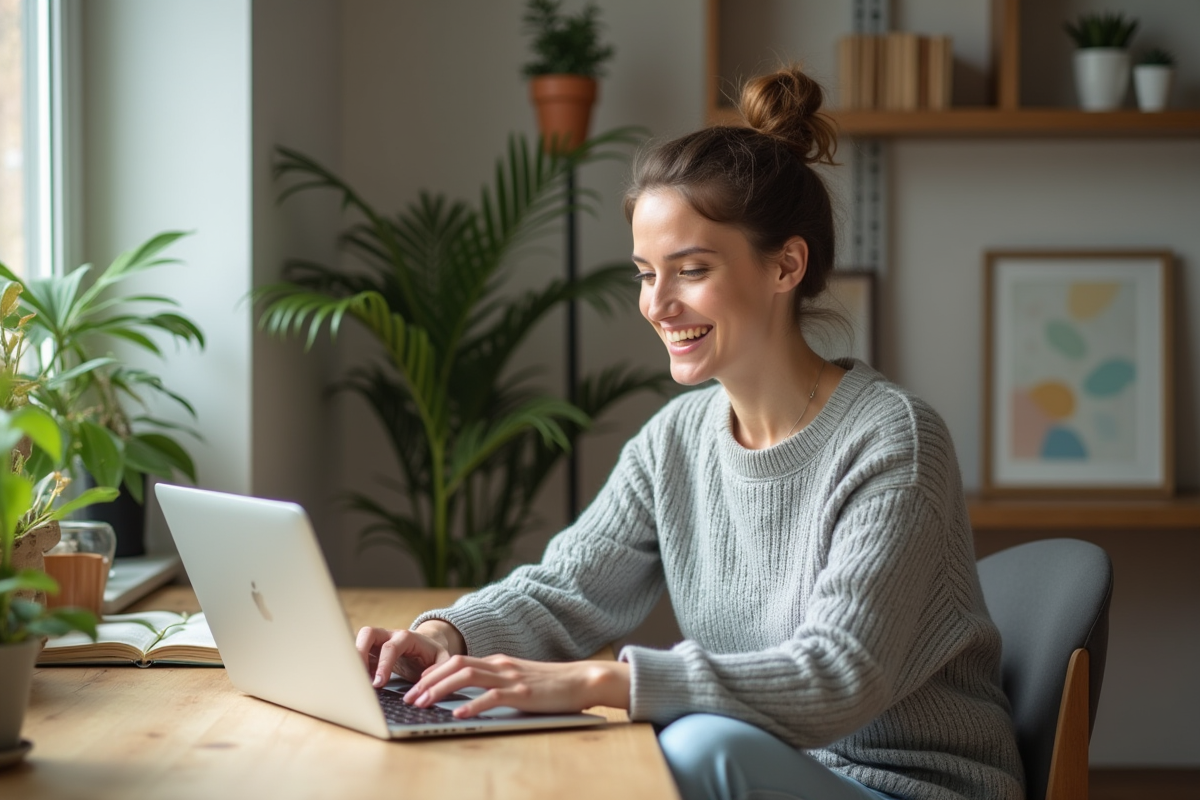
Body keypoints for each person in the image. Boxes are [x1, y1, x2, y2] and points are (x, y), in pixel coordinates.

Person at [355, 66, 1025, 800]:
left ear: (786, 265)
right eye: (645, 273)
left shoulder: (893, 439)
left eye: (691, 270)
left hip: (906, 786)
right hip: (771, 767)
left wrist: (596, 680)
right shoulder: (675, 440)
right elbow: (566, 590)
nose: (658, 304)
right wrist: (444, 637)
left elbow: (839, 675)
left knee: (693, 744)